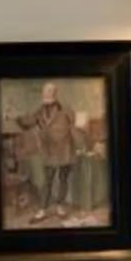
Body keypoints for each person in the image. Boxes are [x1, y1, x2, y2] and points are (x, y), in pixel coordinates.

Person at [21, 83, 78, 221]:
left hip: (65, 149)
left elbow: (74, 122)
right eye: (46, 99)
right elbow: (29, 121)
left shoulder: (65, 109)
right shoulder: (40, 110)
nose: (48, 104)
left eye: (50, 100)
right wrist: (18, 120)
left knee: (63, 180)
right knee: (48, 181)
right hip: (49, 151)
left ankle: (60, 207)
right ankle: (42, 210)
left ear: (55, 97)